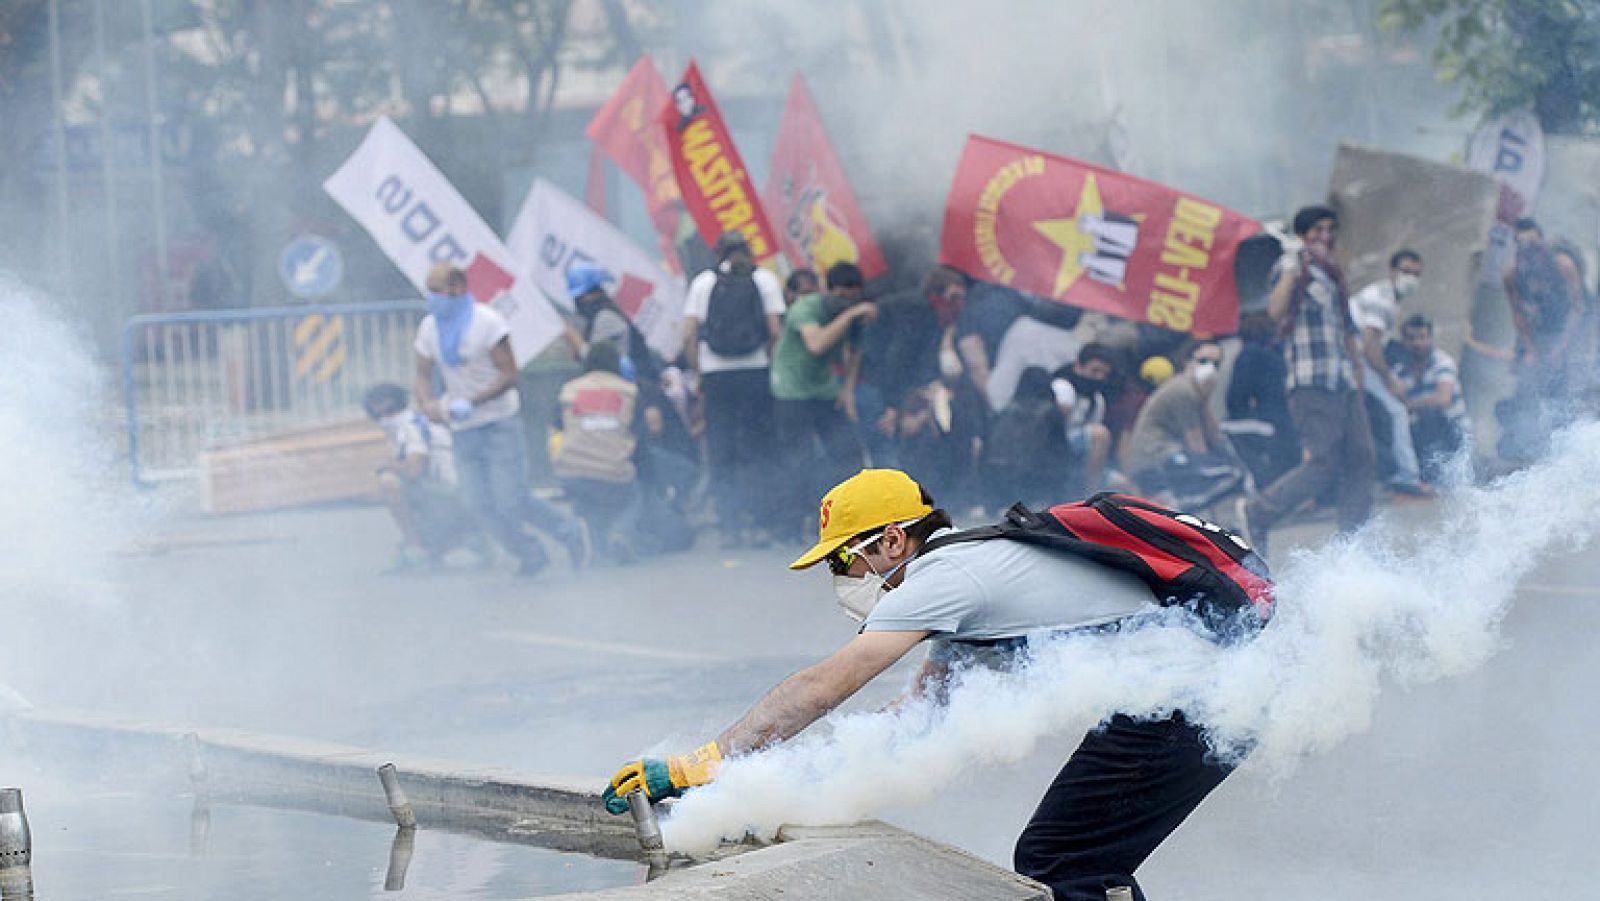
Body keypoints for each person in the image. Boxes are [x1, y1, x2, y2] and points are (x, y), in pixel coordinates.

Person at [602, 469, 1260, 901]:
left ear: (892, 540)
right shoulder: (966, 576)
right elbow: (910, 718)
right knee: (1079, 856)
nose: (841, 575)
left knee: (1061, 856)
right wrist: (757, 792)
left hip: (1199, 687)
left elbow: (822, 685)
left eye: (842, 558)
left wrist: (706, 762)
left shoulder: (943, 580)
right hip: (1190, 686)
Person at [413, 262, 587, 577]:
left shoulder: (487, 322)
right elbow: (423, 374)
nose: (432, 298)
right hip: (462, 427)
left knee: (511, 499)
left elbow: (510, 374)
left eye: (438, 291)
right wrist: (427, 404)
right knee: (477, 503)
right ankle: (529, 553)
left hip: (498, 422)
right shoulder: (429, 328)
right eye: (430, 291)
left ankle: (568, 531)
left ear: (459, 288)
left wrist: (473, 401)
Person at [1236, 206, 1376, 552]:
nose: (1325, 236)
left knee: (1363, 457)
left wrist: (1357, 372)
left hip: (1342, 381)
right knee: (1323, 463)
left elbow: (1345, 329)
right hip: (1310, 381)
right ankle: (1258, 511)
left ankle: (1352, 544)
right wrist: (1293, 262)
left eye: (1330, 229)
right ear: (1302, 234)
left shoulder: (1332, 274)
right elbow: (1275, 310)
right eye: (1317, 229)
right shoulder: (1292, 266)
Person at [682, 231, 785, 547]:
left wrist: (698, 375)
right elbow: (775, 331)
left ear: (718, 254)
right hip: (754, 372)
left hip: (716, 376)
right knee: (758, 449)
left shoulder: (703, 283)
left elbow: (688, 334)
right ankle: (762, 524)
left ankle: (730, 526)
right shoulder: (764, 279)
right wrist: (767, 360)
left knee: (721, 450)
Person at [769, 262, 875, 538]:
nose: (847, 303)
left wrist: (848, 390)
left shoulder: (854, 312)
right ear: (830, 292)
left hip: (825, 389)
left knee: (848, 453)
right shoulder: (806, 308)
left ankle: (851, 521)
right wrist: (852, 312)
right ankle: (790, 526)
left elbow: (855, 351)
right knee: (798, 459)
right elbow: (817, 345)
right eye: (842, 297)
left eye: (853, 298)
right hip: (792, 390)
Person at [362, 382, 482, 569]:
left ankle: (416, 547)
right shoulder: (413, 420)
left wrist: (388, 467)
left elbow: (414, 469)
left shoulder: (407, 426)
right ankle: (447, 541)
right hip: (460, 489)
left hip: (450, 492)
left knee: (389, 482)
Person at [1124, 340, 1244, 510]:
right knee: (1223, 475)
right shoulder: (1183, 391)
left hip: (1162, 457)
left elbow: (1214, 432)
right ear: (1188, 361)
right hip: (1155, 459)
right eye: (1203, 361)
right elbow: (1197, 445)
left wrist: (1204, 399)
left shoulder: (1193, 391)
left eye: (1215, 364)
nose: (1209, 368)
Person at [553, 343, 643, 562]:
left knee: (589, 502)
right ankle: (620, 532)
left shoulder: (569, 390)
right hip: (613, 472)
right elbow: (639, 437)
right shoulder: (629, 392)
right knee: (635, 497)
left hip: (571, 472)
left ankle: (595, 545)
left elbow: (556, 431)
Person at [1350, 249, 1429, 495]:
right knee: (1396, 410)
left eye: (1416, 274)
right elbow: (1369, 344)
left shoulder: (1387, 298)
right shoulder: (1380, 300)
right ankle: (1408, 478)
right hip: (1353, 362)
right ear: (1392, 271)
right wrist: (1389, 379)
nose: (1411, 279)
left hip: (1354, 362)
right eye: (1405, 272)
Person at [1224, 312, 1299, 488]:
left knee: (1226, 427)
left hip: (1272, 421)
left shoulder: (1249, 354)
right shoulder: (1280, 349)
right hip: (1294, 418)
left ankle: (1256, 483)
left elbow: (1235, 399)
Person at [1392, 315, 1471, 483]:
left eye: (1422, 337)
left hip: (1454, 435)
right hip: (1423, 436)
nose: (1417, 344)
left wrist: (1410, 405)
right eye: (1411, 338)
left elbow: (1443, 399)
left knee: (1431, 413)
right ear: (1404, 341)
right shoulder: (1400, 371)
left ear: (1430, 338)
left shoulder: (1442, 362)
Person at [568, 262, 659, 383]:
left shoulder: (606, 318)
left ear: (595, 292)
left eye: (581, 296)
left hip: (634, 388)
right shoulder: (598, 318)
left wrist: (569, 333)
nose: (578, 301)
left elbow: (595, 360)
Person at [1047, 343, 1116, 496]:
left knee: (1119, 482)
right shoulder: (1063, 387)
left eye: (1104, 374)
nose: (1099, 377)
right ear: (1079, 366)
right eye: (1095, 371)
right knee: (1100, 435)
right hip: (1053, 447)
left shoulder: (1097, 399)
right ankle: (1091, 495)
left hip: (1077, 455)